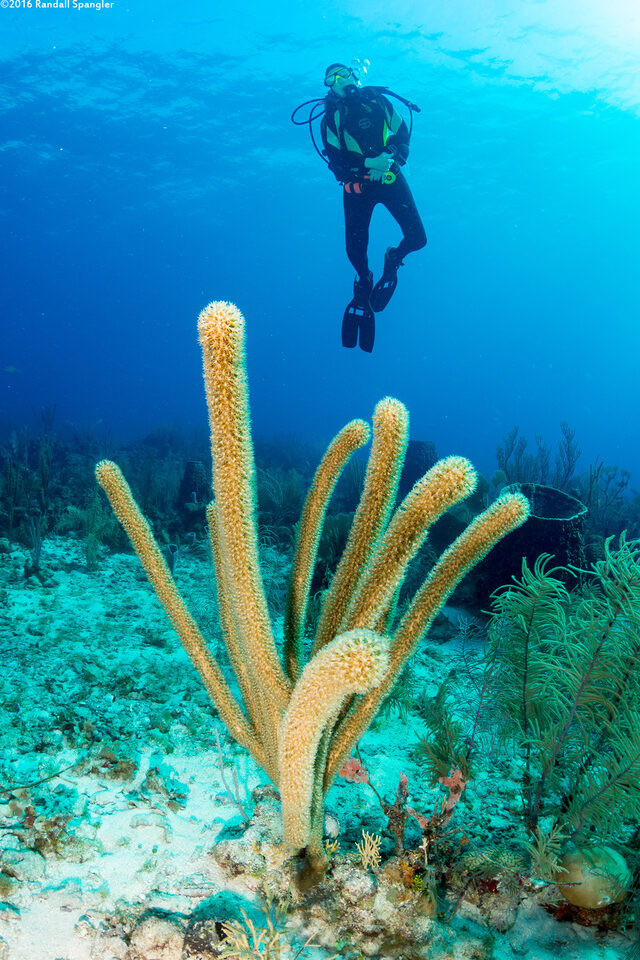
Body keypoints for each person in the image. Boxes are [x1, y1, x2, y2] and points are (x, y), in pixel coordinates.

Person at [320, 63, 427, 352]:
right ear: (330, 87)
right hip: (357, 188)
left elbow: (402, 134)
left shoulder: (379, 101)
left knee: (418, 239)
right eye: (333, 79)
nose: (341, 80)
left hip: (390, 178)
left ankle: (393, 260)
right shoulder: (331, 118)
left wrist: (389, 159)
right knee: (354, 251)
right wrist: (370, 164)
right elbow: (336, 164)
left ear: (356, 75)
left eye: (344, 74)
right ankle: (364, 279)